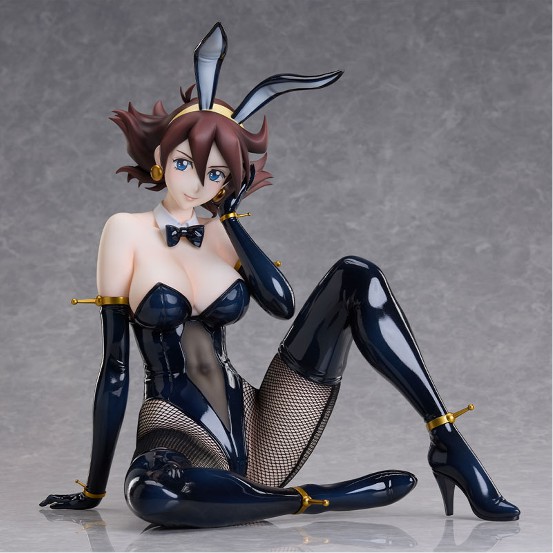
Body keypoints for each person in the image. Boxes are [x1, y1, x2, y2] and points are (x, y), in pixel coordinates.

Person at [40, 23, 519, 528]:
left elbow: (282, 305)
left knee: (356, 276)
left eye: (217, 173)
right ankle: (318, 499)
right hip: (177, 431)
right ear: (160, 158)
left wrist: (229, 220)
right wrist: (93, 490)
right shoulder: (125, 231)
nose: (199, 183)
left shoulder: (222, 234)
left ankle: (448, 442)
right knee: (150, 496)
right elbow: (115, 369)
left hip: (263, 428)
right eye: (186, 164)